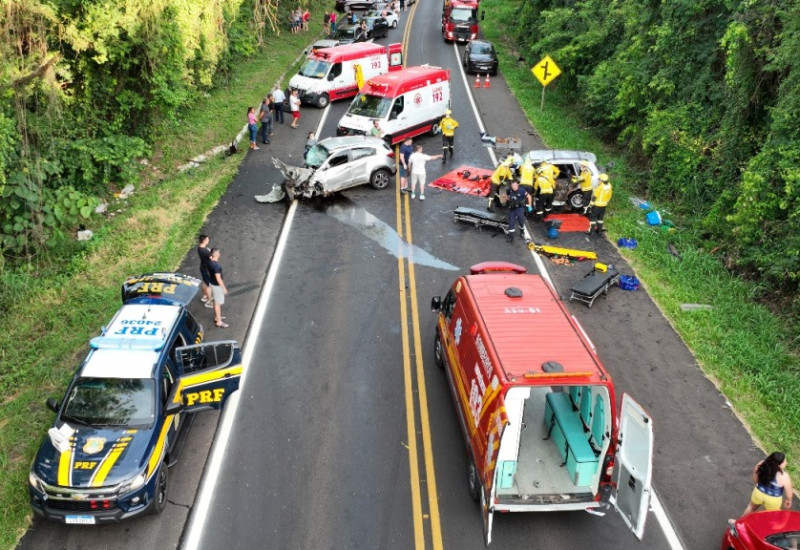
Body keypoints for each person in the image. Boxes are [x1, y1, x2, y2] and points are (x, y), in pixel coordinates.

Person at [741, 452, 794, 516]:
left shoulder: (762, 464)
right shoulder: (784, 476)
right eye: (784, 461)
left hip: (759, 493)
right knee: (770, 516)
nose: (786, 463)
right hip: (773, 499)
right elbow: (789, 493)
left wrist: (757, 484)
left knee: (751, 507)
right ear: (779, 465)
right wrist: (789, 500)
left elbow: (755, 473)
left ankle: (739, 524)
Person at [208, 248, 229, 328]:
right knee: (218, 304)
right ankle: (219, 322)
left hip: (211, 283)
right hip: (217, 286)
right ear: (217, 255)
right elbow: (218, 278)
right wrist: (223, 288)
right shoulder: (217, 266)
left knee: (215, 301)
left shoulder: (210, 262)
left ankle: (217, 317)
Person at [197, 235, 214, 308]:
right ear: (204, 240)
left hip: (203, 267)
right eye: (207, 239)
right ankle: (209, 301)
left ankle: (205, 296)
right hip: (207, 269)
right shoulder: (205, 251)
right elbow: (212, 258)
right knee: (209, 285)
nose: (208, 240)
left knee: (205, 282)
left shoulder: (200, 248)